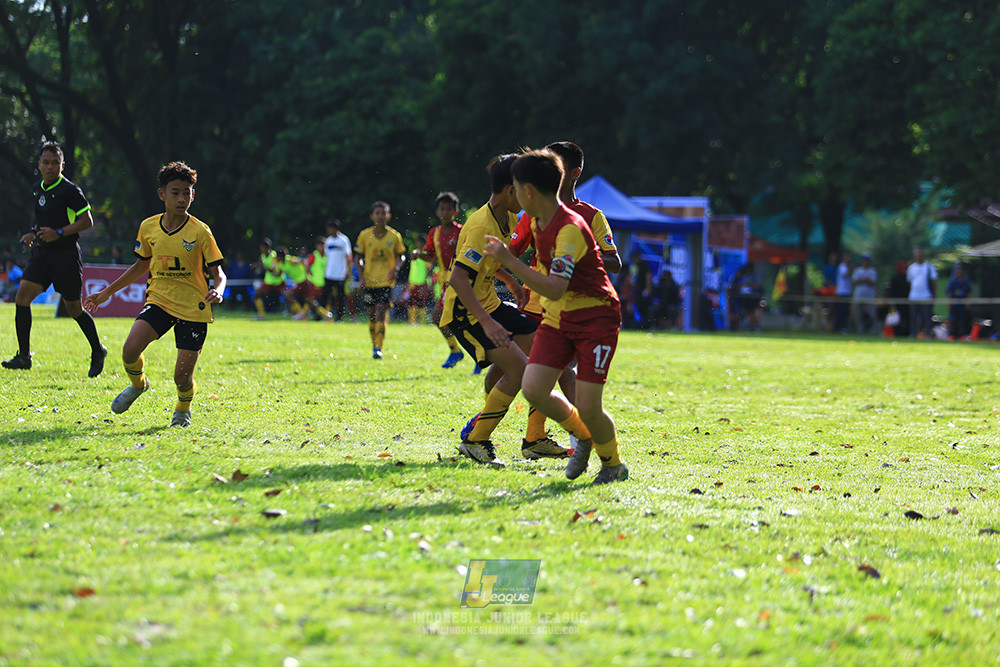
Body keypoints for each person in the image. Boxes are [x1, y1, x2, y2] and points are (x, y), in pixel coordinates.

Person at [484, 148, 627, 485]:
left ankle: (613, 464)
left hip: (596, 321)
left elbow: (555, 287)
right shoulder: (535, 221)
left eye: (516, 188)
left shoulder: (570, 229)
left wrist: (509, 261)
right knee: (533, 388)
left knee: (590, 405)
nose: (515, 194)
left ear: (528, 191)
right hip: (557, 320)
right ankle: (584, 436)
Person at [440, 154, 563, 464]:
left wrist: (512, 281)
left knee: (542, 348)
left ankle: (532, 438)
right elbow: (458, 278)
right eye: (526, 189)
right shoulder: (482, 224)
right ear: (512, 190)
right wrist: (488, 322)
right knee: (520, 370)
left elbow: (490, 261)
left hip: (490, 304)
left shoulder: (506, 218)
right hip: (466, 314)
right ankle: (476, 439)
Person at [83, 161, 225, 428]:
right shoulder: (148, 227)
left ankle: (183, 408)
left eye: (187, 192)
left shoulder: (200, 231)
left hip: (193, 308)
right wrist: (107, 292)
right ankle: (139, 385)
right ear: (162, 194)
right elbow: (140, 265)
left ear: (193, 194)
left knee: (182, 378)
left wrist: (217, 290)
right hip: (159, 300)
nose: (182, 198)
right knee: (129, 350)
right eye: (175, 192)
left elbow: (219, 273)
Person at [3, 142, 106, 376]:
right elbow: (43, 220)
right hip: (42, 254)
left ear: (62, 165)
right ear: (39, 165)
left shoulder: (70, 190)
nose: (50, 167)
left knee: (74, 309)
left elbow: (87, 221)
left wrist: (59, 233)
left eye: (55, 163)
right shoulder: (36, 188)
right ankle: (24, 356)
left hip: (65, 256)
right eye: (46, 162)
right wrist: (33, 232)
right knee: (22, 298)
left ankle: (97, 350)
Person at [416, 192, 465, 367]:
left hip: (460, 280)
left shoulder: (461, 232)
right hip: (444, 281)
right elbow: (430, 256)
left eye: (449, 209)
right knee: (439, 318)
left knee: (449, 317)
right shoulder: (434, 233)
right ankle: (456, 351)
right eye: (442, 209)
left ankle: (475, 354)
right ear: (437, 212)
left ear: (455, 211)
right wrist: (419, 255)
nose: (445, 212)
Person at [355, 201, 407, 359]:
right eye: (377, 213)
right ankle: (374, 345)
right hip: (370, 281)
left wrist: (396, 268)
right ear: (372, 216)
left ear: (388, 216)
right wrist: (361, 278)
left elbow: (402, 256)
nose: (380, 216)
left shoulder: (394, 236)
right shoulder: (364, 235)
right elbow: (357, 258)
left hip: (386, 282)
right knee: (371, 315)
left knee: (380, 313)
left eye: (383, 213)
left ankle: (378, 348)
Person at [321, 219, 352, 321]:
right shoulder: (328, 240)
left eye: (330, 228)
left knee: (340, 297)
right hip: (329, 273)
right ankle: (321, 315)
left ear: (335, 228)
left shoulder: (343, 240)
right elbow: (327, 256)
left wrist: (348, 270)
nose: (328, 230)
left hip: (340, 273)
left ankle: (339, 317)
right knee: (325, 296)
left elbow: (348, 256)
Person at [907, 248, 938, 339]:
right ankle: (913, 334)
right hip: (914, 296)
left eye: (920, 254)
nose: (919, 256)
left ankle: (927, 334)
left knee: (927, 316)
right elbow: (909, 282)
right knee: (914, 317)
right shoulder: (911, 268)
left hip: (926, 296)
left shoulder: (929, 267)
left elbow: (933, 282)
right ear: (915, 256)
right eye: (917, 255)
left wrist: (934, 295)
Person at [404, 234, 432, 324]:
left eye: (419, 242)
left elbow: (429, 270)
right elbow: (411, 270)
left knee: (421, 303)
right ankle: (411, 322)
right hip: (413, 282)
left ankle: (421, 322)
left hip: (421, 282)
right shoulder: (414, 254)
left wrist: (427, 283)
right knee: (411, 302)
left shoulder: (425, 255)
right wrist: (408, 281)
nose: (417, 243)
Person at [253, 238, 284, 319]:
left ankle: (299, 313)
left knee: (288, 296)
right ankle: (261, 315)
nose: (261, 249)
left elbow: (271, 269)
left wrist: (260, 266)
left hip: (278, 281)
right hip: (269, 281)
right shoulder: (262, 256)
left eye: (262, 247)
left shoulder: (274, 255)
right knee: (257, 294)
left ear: (267, 248)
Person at [851, 254, 878, 335]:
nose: (865, 262)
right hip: (859, 296)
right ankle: (861, 332)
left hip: (869, 296)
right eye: (864, 260)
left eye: (867, 261)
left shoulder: (872, 271)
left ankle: (876, 332)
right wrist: (865, 279)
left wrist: (863, 280)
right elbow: (855, 281)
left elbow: (872, 281)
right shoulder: (857, 270)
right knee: (859, 316)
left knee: (873, 315)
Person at [947, 263, 972, 339]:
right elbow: (950, 294)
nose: (959, 271)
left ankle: (962, 336)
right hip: (955, 305)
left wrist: (968, 304)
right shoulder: (952, 281)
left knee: (962, 321)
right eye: (957, 269)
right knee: (954, 321)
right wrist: (949, 304)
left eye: (960, 269)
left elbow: (968, 293)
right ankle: (954, 335)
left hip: (962, 305)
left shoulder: (966, 281)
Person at [833, 252, 852, 333]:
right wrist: (852, 268)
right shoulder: (842, 266)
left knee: (845, 311)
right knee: (841, 311)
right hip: (842, 292)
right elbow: (845, 274)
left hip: (846, 292)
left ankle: (843, 327)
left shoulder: (845, 267)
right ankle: (838, 327)